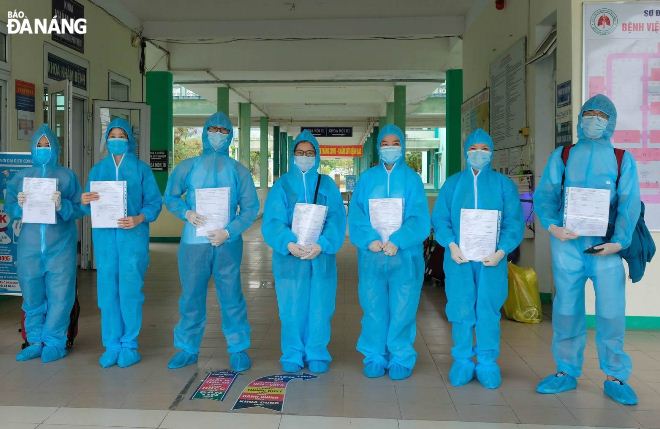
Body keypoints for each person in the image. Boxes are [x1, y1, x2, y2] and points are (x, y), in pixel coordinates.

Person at [534, 94, 641, 405]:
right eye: (589, 113)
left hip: (605, 246)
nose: (594, 119)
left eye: (601, 115)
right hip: (567, 246)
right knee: (566, 309)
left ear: (611, 121)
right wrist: (552, 225)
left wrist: (619, 241)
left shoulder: (622, 159)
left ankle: (616, 375)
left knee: (610, 312)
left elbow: (628, 204)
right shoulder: (564, 155)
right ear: (579, 119)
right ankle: (565, 371)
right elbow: (546, 195)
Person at [165, 112, 259, 371]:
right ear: (205, 131)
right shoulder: (188, 167)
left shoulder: (239, 171)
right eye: (214, 129)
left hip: (227, 243)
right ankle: (187, 347)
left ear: (230, 136)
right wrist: (187, 212)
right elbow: (171, 196)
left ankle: (238, 348)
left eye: (224, 130)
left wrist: (230, 231)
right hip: (194, 243)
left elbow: (251, 208)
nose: (218, 134)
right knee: (191, 296)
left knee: (231, 296)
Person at [432, 128, 523, 389]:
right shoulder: (452, 184)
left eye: (484, 149)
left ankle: (486, 362)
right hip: (459, 260)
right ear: (465, 151)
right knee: (461, 309)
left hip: (491, 261)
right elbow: (440, 218)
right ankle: (462, 360)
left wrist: (501, 250)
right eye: (474, 149)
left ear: (491, 153)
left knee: (487, 310)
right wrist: (450, 244)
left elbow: (513, 222)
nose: (478, 153)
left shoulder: (503, 185)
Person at [348, 124, 430, 381]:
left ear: (402, 146)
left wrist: (400, 239)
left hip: (404, 258)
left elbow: (419, 217)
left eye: (395, 143)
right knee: (373, 307)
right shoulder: (368, 179)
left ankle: (401, 356)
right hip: (372, 258)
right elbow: (357, 214)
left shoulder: (412, 180)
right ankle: (374, 355)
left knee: (403, 308)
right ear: (378, 147)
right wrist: (369, 239)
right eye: (385, 143)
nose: (390, 147)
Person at [262, 130, 346, 374]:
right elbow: (273, 221)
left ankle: (317, 351)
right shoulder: (282, 185)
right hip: (290, 260)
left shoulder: (327, 184)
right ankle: (293, 352)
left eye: (310, 153)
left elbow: (337, 219)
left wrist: (323, 243)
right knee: (291, 307)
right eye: (300, 153)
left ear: (317, 156)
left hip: (321, 259)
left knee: (321, 306)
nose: (305, 157)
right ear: (293, 155)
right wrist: (287, 242)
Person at [81, 118, 162, 368]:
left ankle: (129, 345)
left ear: (130, 139)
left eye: (121, 135)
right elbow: (87, 209)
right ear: (106, 139)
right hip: (105, 242)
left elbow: (155, 204)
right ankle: (112, 345)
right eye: (112, 136)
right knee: (107, 294)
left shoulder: (141, 169)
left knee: (129, 293)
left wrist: (138, 218)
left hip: (132, 242)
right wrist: (85, 200)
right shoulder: (98, 170)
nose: (116, 140)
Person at [6, 124, 83, 363]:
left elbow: (81, 208)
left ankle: (55, 341)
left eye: (46, 144)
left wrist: (63, 206)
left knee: (60, 295)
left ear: (55, 147)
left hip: (60, 245)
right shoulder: (21, 178)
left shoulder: (67, 176)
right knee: (32, 294)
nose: (42, 149)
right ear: (32, 148)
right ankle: (35, 340)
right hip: (29, 245)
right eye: (39, 145)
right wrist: (19, 205)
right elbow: (10, 208)